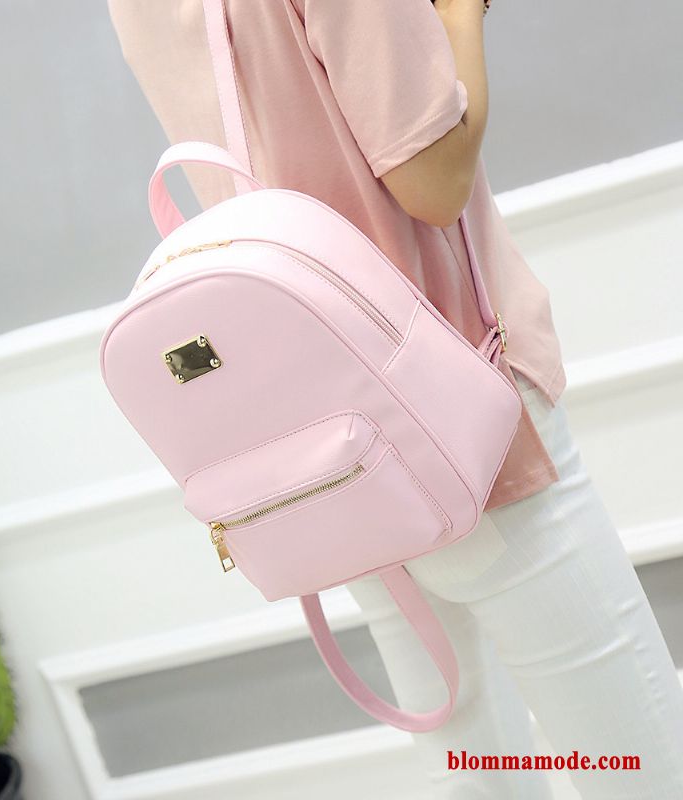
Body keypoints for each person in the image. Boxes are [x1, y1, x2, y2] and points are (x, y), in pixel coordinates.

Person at [107, 1, 683, 797]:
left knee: (474, 770)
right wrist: (463, 12)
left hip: (330, 441)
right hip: (458, 408)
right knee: (639, 760)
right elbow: (433, 181)